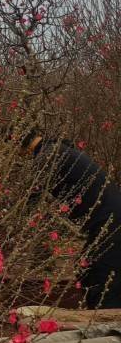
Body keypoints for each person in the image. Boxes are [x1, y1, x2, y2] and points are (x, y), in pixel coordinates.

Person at [21, 129, 121, 309]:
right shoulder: (58, 151)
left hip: (110, 221)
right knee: (88, 268)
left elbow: (30, 197)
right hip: (108, 219)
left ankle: (106, 325)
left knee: (102, 275)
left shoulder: (48, 155)